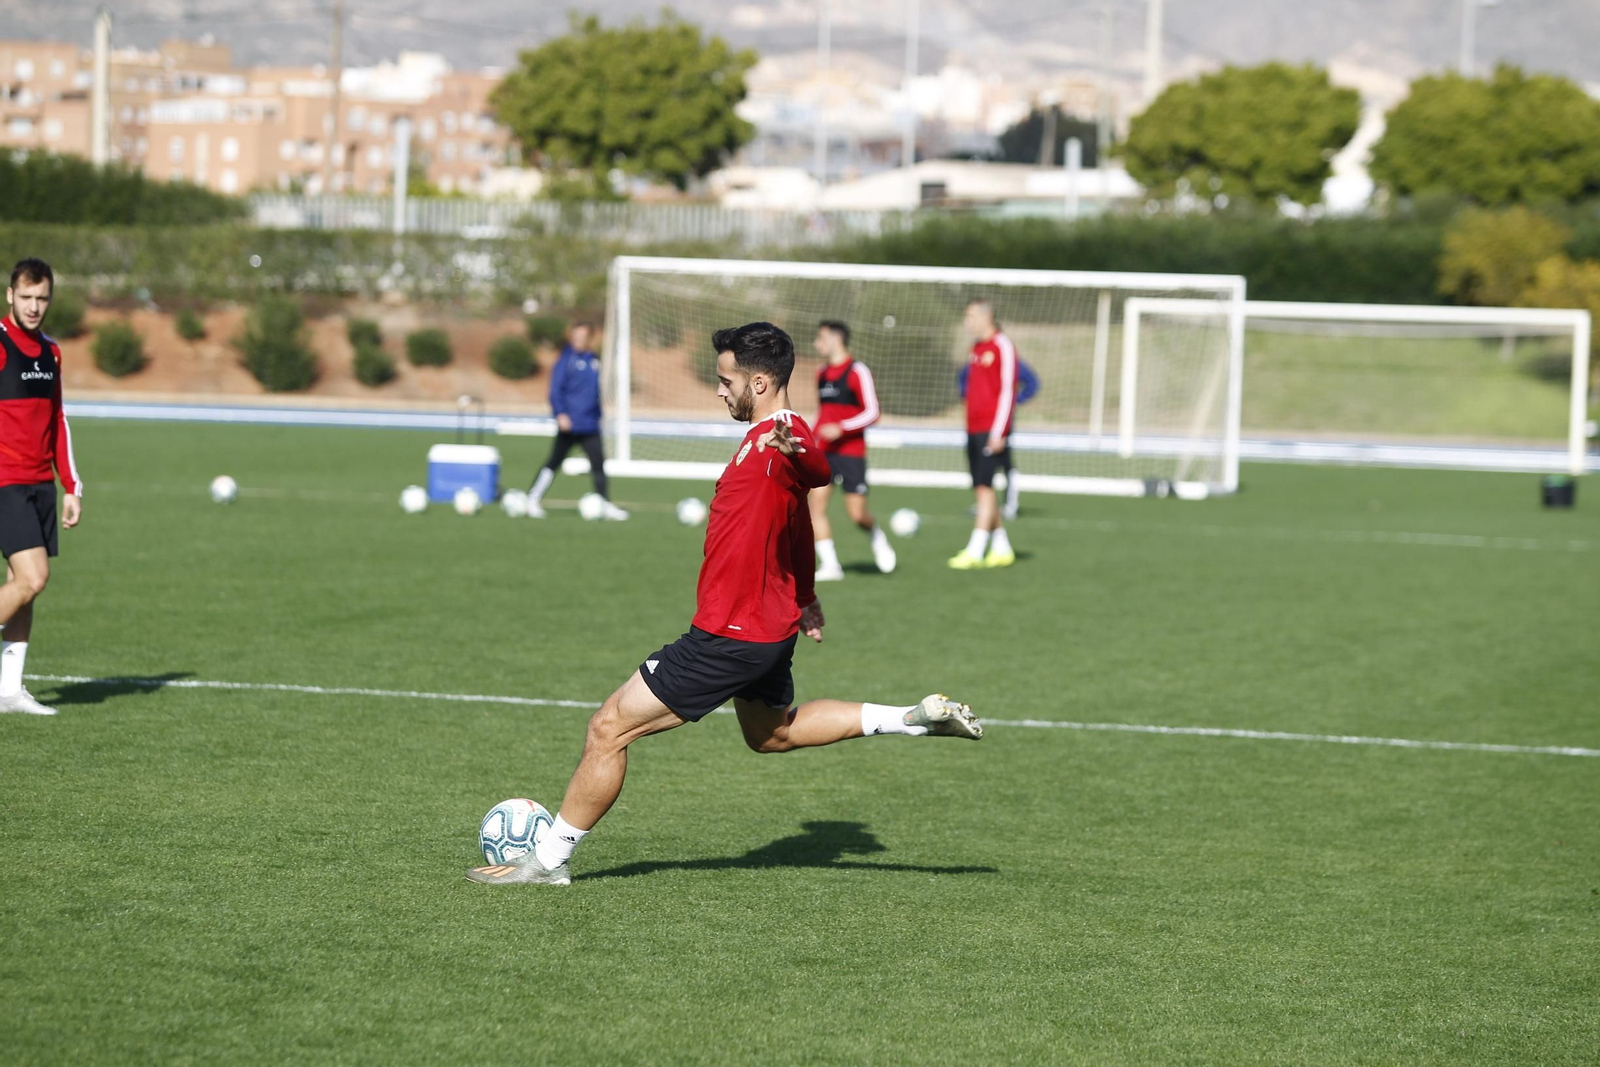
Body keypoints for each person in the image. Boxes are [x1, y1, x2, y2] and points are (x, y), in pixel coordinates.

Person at [468, 322, 982, 887]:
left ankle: (548, 861)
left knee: (608, 728)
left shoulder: (782, 438)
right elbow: (799, 531)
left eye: (725, 380)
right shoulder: (766, 437)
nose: (719, 390)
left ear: (759, 383)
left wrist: (796, 445)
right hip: (766, 630)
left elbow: (817, 466)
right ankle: (910, 721)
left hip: (729, 636)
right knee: (772, 734)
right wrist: (806, 596)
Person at [0, 259, 83, 716]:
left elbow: (57, 419)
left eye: (42, 298)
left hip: (39, 485)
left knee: (22, 586)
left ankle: (9, 690)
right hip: (4, 482)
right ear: (10, 295)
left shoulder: (50, 352)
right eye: (26, 297)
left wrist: (71, 485)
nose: (34, 307)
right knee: (34, 578)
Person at [810, 320, 895, 581]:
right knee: (815, 509)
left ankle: (875, 534)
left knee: (857, 514)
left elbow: (873, 411)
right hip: (824, 451)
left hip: (851, 452)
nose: (816, 344)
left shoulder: (857, 371)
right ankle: (831, 566)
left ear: (836, 339)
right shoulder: (821, 374)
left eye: (820, 338)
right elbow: (823, 414)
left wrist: (842, 427)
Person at [526, 322, 626, 520]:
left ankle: (604, 504)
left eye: (582, 336)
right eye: (575, 336)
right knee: (554, 461)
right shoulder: (566, 360)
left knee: (598, 464)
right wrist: (560, 414)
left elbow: (595, 393)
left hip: (590, 425)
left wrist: (599, 416)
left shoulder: (594, 360)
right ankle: (532, 499)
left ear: (590, 338)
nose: (578, 340)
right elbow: (555, 391)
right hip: (570, 425)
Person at [949, 299, 1017, 570]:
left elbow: (1008, 390)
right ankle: (1002, 547)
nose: (967, 322)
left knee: (985, 489)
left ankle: (975, 550)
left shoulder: (1003, 345)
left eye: (970, 316)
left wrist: (999, 431)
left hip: (992, 429)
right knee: (981, 486)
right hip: (973, 428)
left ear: (985, 316)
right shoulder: (975, 348)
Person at [958, 357, 1039, 521]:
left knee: (1004, 461)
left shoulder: (1008, 361)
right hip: (979, 421)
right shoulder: (978, 359)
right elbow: (963, 378)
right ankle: (985, 504)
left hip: (1001, 421)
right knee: (981, 463)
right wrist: (970, 397)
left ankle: (1010, 504)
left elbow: (1032, 383)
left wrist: (1016, 400)